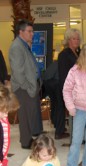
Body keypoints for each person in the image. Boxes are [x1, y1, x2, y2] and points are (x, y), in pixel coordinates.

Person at [9, 19, 43, 149]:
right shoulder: (17, 47)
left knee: (29, 114)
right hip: (23, 88)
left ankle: (28, 139)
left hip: (29, 86)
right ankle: (25, 141)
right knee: (25, 115)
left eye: (32, 31)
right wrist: (28, 87)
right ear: (21, 32)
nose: (32, 33)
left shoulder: (23, 44)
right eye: (29, 31)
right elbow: (18, 72)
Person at [57, 28, 81, 140]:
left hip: (79, 89)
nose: (76, 41)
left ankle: (78, 136)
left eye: (78, 38)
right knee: (73, 114)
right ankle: (74, 138)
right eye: (73, 39)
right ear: (68, 40)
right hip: (70, 89)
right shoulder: (64, 54)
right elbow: (63, 75)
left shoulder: (78, 53)